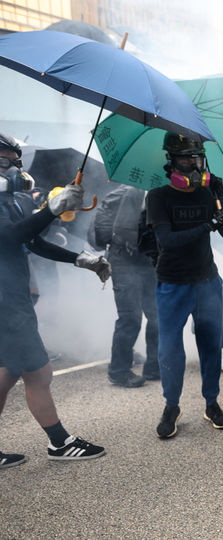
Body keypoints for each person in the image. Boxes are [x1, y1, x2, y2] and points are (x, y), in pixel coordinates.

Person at [0, 133, 109, 468]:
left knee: (9, 372)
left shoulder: (13, 200)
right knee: (38, 372)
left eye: (16, 158)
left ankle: (59, 443)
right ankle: (60, 443)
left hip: (13, 295)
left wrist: (79, 259)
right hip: (5, 302)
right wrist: (51, 209)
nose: (15, 165)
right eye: (7, 158)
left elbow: (31, 241)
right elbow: (9, 236)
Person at [146, 132, 223, 439]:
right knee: (170, 349)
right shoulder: (158, 197)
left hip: (207, 281)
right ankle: (171, 406)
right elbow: (167, 242)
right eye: (186, 157)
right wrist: (207, 224)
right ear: (171, 161)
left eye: (197, 157)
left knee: (211, 344)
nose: (193, 163)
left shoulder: (209, 192)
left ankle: (212, 403)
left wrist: (220, 200)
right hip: (172, 283)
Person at [91, 184, 159, 387]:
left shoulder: (158, 193)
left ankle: (154, 366)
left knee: (157, 316)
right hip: (123, 261)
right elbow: (100, 236)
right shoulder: (120, 195)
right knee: (130, 318)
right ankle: (119, 371)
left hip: (149, 261)